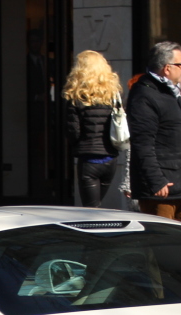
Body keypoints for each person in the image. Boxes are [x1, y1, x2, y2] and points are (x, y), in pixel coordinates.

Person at [126, 41, 181, 226]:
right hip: (162, 188)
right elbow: (142, 143)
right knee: (160, 244)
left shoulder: (172, 92)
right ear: (167, 68)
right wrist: (156, 180)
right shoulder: (145, 94)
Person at [62, 50, 121, 208]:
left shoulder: (76, 98)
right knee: (97, 206)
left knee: (91, 210)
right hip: (111, 158)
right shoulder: (113, 96)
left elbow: (73, 132)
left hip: (89, 160)